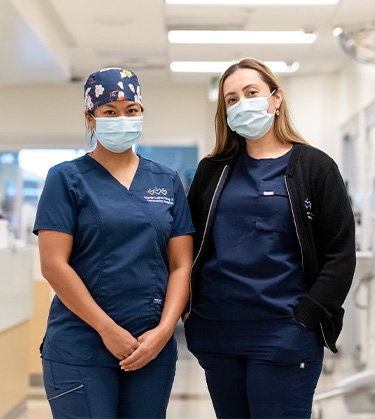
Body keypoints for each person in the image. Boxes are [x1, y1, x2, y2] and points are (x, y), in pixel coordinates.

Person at [183, 58, 356, 419]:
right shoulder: (212, 171)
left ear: (276, 99)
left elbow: (339, 255)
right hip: (218, 331)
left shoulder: (315, 168)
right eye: (231, 99)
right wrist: (190, 313)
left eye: (251, 92)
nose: (241, 103)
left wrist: (307, 317)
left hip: (285, 332)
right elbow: (188, 245)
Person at [33, 67, 194, 419]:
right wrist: (107, 330)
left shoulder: (166, 181)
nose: (122, 119)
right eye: (109, 111)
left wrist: (165, 331)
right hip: (81, 345)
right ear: (91, 119)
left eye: (131, 110)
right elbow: (53, 265)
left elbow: (181, 265)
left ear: (141, 113)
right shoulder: (66, 178)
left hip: (151, 345)